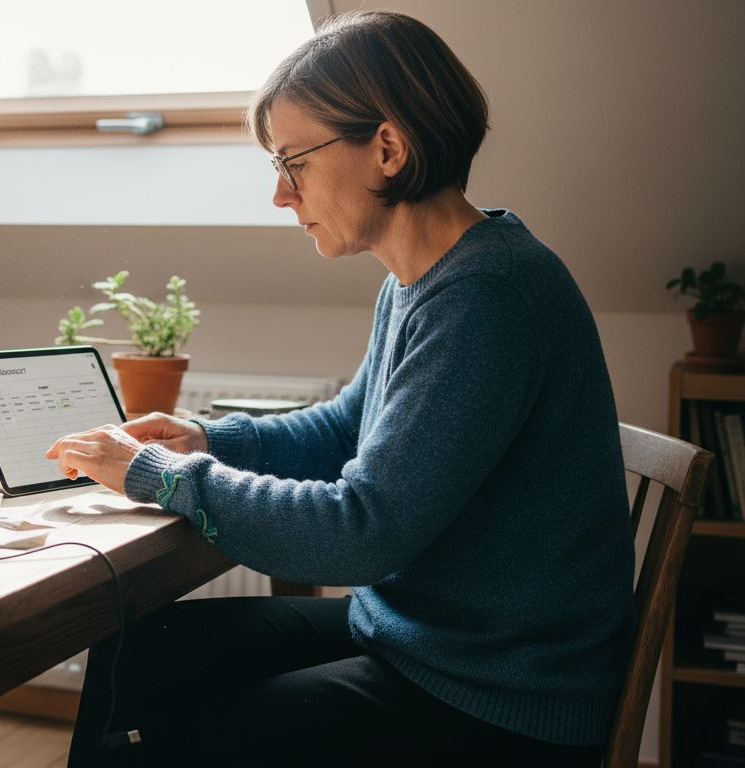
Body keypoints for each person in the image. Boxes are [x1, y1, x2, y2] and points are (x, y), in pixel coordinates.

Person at [47, 10, 633, 768]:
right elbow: (347, 428)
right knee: (141, 651)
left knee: (170, 741)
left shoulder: (488, 295)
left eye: (294, 162)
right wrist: (209, 439)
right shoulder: (425, 279)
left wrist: (163, 477)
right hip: (429, 639)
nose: (281, 196)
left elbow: (362, 531)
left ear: (387, 147)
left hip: (497, 696)